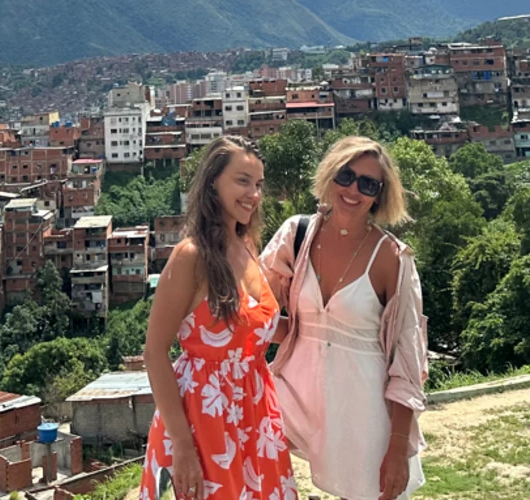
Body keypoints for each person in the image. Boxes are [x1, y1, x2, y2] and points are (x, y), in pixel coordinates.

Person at [260, 135, 427, 500]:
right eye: (346, 175)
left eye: (368, 184)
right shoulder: (297, 235)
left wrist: (398, 447)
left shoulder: (393, 259)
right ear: (330, 174)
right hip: (296, 402)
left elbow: (409, 362)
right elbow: (255, 313)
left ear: (380, 195)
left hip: (364, 417)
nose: (353, 189)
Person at [140, 135, 298, 500]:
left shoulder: (246, 247)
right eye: (242, 181)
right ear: (213, 182)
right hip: (201, 421)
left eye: (258, 184)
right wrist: (182, 445)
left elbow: (258, 330)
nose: (254, 194)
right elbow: (154, 353)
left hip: (255, 415)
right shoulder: (191, 256)